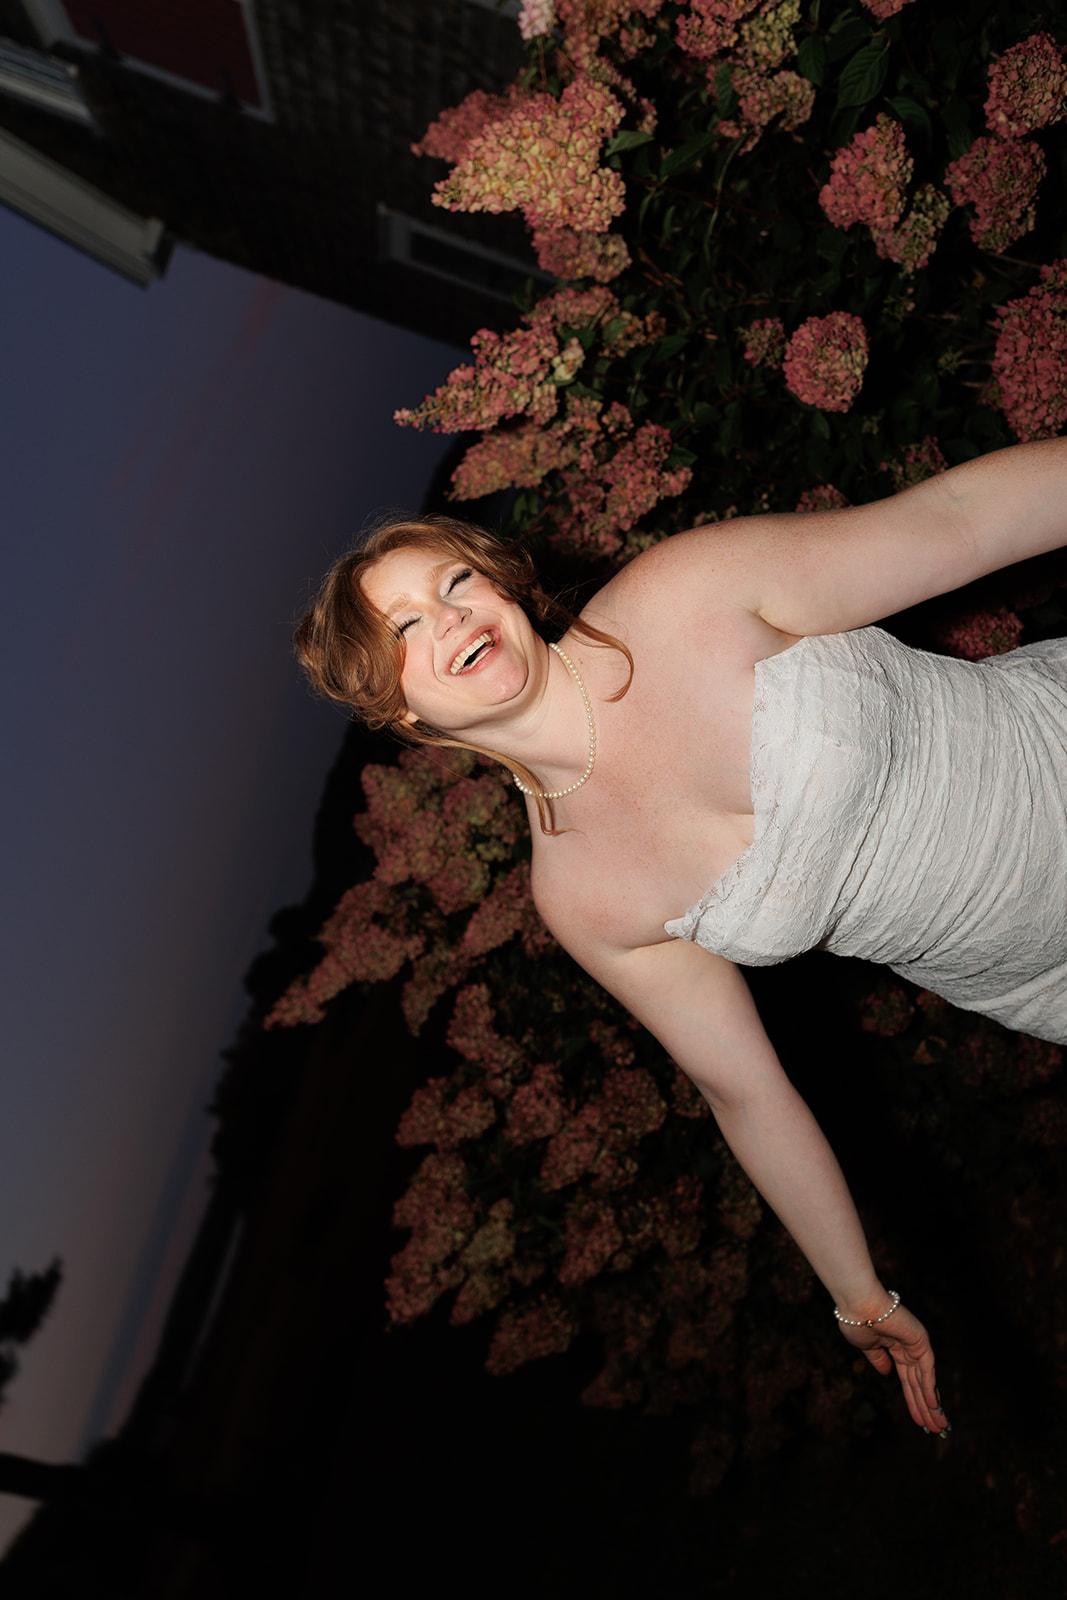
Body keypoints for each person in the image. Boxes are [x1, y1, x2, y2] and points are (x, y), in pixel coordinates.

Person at [297, 437, 1067, 1439]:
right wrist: (858, 1298)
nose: (450, 616)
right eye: (405, 625)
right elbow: (742, 1090)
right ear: (397, 710)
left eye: (455, 581)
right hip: (1033, 971)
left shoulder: (685, 595)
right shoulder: (578, 893)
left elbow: (957, 518)